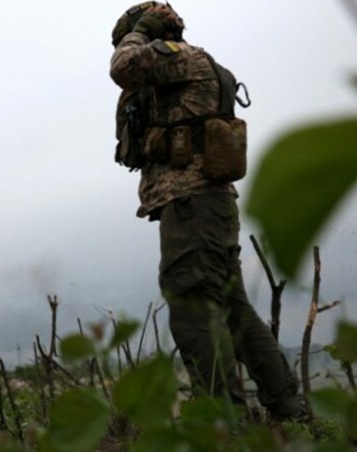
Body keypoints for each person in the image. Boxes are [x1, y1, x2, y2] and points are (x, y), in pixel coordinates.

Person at [109, 2, 305, 420]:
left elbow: (123, 67)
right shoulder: (196, 64)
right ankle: (288, 409)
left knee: (192, 306)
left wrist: (139, 32)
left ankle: (222, 424)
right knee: (233, 309)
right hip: (208, 207)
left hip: (192, 204)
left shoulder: (179, 58)